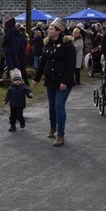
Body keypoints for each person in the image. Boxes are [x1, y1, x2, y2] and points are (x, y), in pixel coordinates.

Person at [32, 19, 76, 147]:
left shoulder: (68, 45)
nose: (48, 31)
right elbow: (42, 63)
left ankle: (60, 135)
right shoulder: (47, 44)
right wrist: (36, 78)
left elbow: (71, 65)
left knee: (59, 106)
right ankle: (53, 127)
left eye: (51, 29)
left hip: (63, 81)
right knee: (52, 106)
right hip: (50, 80)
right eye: (49, 29)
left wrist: (65, 81)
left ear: (58, 31)